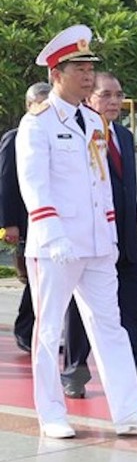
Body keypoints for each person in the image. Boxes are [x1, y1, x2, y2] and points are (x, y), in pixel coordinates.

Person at [16, 24, 137, 438]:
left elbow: (100, 184)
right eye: (78, 68)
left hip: (98, 245)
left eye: (89, 67)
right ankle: (50, 414)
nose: (87, 75)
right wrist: (52, 232)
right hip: (57, 246)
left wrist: (110, 234)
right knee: (48, 331)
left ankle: (128, 411)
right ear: (56, 74)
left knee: (110, 326)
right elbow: (35, 184)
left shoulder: (92, 120)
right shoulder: (39, 123)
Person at [61, 72, 137, 400]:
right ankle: (75, 372)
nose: (114, 102)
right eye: (106, 95)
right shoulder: (77, 135)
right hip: (90, 240)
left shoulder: (125, 137)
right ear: (90, 98)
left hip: (127, 241)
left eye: (118, 95)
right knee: (82, 311)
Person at [1, 82, 51, 353]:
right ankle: (24, 329)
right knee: (35, 279)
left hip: (50, 220)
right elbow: (7, 182)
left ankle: (35, 329)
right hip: (27, 220)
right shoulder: (16, 137)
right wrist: (9, 223)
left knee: (44, 280)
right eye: (39, 103)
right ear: (28, 106)